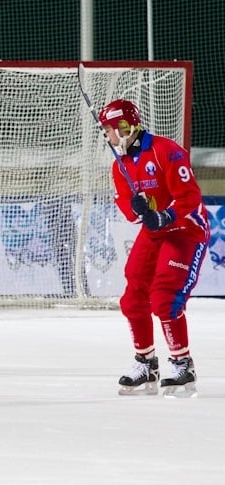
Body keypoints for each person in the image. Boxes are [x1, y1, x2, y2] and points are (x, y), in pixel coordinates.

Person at [99, 99, 209, 398]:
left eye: (109, 129)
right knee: (133, 297)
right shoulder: (119, 164)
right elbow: (128, 209)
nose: (107, 136)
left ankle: (182, 364)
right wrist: (137, 210)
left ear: (124, 127)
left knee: (164, 298)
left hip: (186, 230)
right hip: (155, 233)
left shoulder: (165, 150)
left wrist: (165, 215)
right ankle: (146, 363)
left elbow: (189, 196)